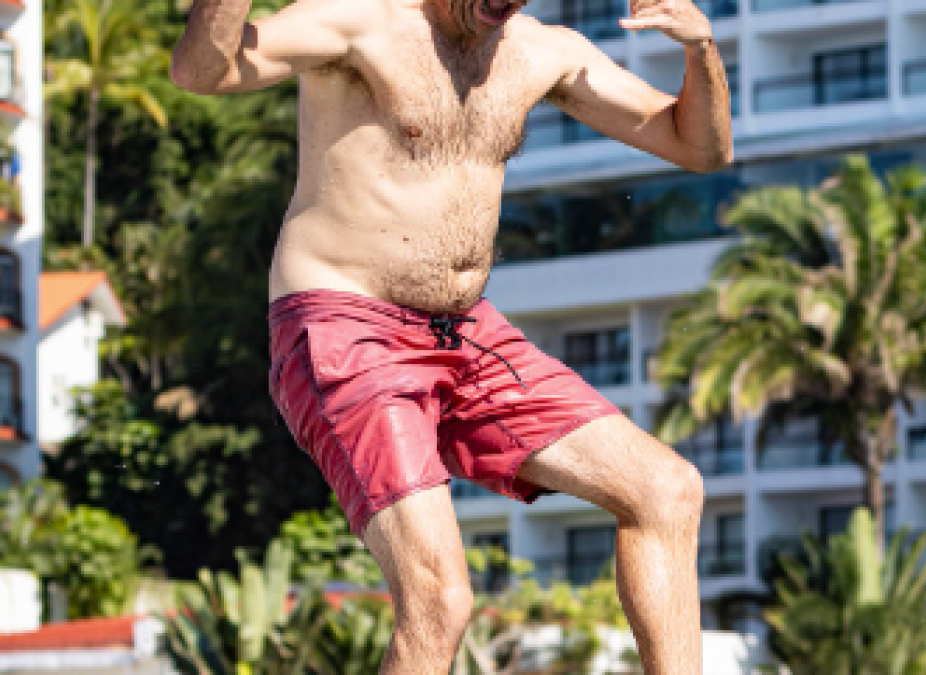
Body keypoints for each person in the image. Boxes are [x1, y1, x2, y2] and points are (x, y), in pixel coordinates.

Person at [171, 0, 731, 671]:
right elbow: (202, 74)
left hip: (465, 334)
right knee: (439, 598)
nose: (504, 5)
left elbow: (698, 146)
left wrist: (699, 48)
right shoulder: (357, 20)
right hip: (346, 327)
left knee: (666, 490)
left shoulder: (539, 50)